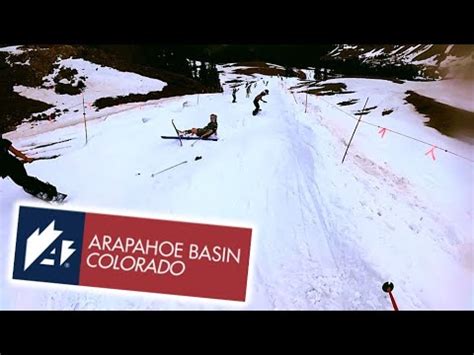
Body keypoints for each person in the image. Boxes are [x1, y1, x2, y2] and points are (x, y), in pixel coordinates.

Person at [0, 134, 58, 199]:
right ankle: (44, 189)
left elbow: (15, 152)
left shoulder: (3, 142)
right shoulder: (4, 142)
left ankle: (47, 190)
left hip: (13, 165)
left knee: (24, 181)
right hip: (10, 166)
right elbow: (15, 152)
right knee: (25, 179)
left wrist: (26, 158)